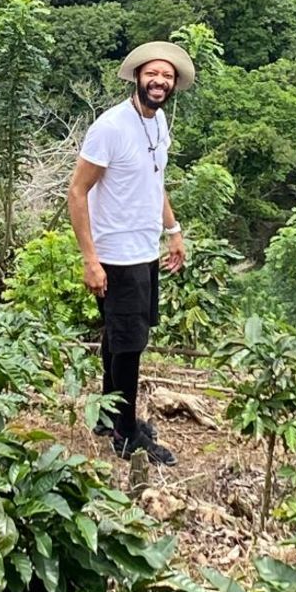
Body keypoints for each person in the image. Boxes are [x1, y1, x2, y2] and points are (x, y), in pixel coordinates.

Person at [66, 40, 195, 467]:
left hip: (144, 250)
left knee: (119, 341)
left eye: (168, 76)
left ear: (173, 85)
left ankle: (107, 417)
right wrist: (90, 258)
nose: (159, 81)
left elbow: (155, 183)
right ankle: (126, 434)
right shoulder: (111, 126)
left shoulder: (158, 125)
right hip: (116, 256)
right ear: (137, 76)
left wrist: (173, 231)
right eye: (153, 73)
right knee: (130, 346)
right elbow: (77, 191)